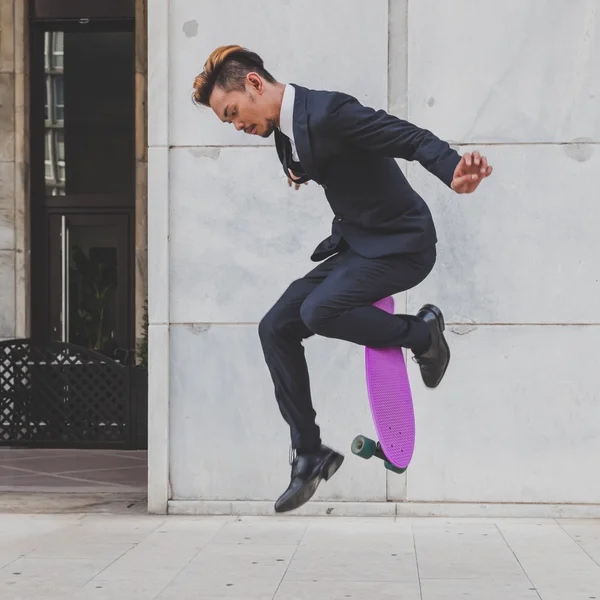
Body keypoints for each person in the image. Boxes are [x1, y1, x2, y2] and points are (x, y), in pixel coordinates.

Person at [192, 45, 493, 513]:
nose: (236, 126)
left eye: (232, 113)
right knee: (275, 327)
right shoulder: (284, 132)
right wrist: (298, 171)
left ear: (253, 83)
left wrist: (452, 168)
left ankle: (422, 333)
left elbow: (404, 136)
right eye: (227, 122)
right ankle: (310, 453)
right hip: (359, 245)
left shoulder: (330, 111)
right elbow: (308, 159)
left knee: (319, 310)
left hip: (404, 246)